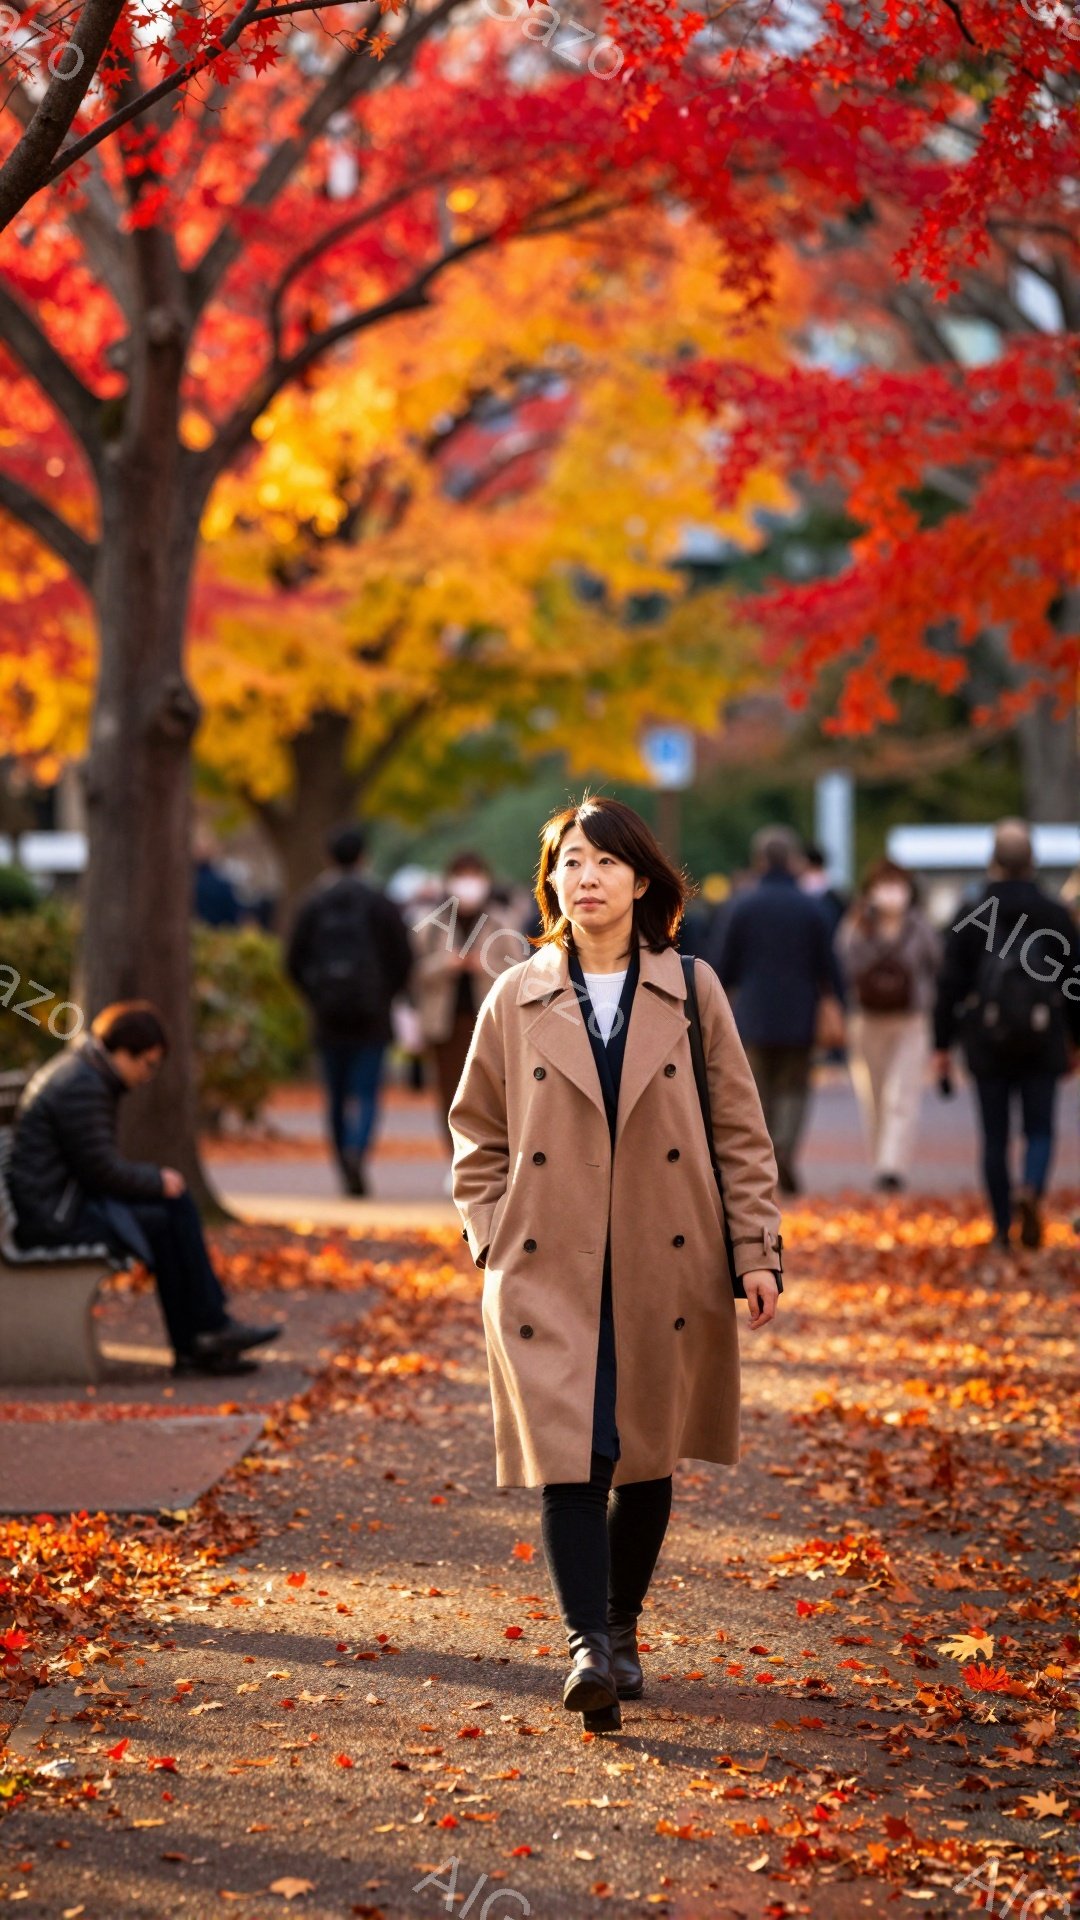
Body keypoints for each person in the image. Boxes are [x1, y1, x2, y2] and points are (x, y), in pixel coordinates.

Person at [448, 795, 783, 1732]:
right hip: (546, 1263)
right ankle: (587, 1646)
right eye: (567, 862)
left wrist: (755, 1250)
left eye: (602, 862)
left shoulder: (694, 988)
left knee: (644, 1455)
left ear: (642, 879)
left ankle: (622, 1627)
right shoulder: (516, 994)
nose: (583, 878)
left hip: (663, 1258)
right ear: (551, 882)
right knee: (571, 1457)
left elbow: (741, 1133)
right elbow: (475, 1133)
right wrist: (490, 1233)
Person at [7, 1003, 280, 1375]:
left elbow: (93, 1167)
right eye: (147, 1065)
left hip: (61, 1205)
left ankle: (203, 1337)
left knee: (171, 1209)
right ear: (122, 1052)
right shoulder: (82, 1085)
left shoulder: (86, 1072)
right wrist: (156, 1180)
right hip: (55, 1218)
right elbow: (99, 1170)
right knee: (170, 1209)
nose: (146, 1076)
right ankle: (206, 1332)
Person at [934, 819, 1080, 1250]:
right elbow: (1075, 980)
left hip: (987, 1039)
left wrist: (941, 1045)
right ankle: (1031, 1188)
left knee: (994, 1136)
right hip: (1043, 1036)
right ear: (1032, 860)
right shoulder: (1054, 913)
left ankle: (1001, 1228)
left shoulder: (974, 911)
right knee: (1039, 1128)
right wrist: (1076, 1039)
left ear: (993, 859)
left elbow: (949, 983)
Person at [716, 825, 846, 1195]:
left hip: (753, 1013)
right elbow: (830, 965)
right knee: (796, 1087)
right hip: (801, 1013)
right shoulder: (812, 907)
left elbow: (722, 965)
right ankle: (787, 1148)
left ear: (759, 860)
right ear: (792, 861)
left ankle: (767, 1156)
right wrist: (840, 1003)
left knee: (757, 1090)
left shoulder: (741, 905)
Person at [287, 824, 413, 1196]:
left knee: (336, 1095)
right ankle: (359, 1150)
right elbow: (402, 957)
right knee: (368, 1092)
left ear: (328, 857)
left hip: (328, 1017)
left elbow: (292, 959)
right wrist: (386, 993)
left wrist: (315, 994)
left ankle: (342, 1158)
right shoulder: (380, 902)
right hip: (372, 1015)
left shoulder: (313, 902)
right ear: (363, 857)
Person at [408, 853, 526, 1186]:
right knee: (449, 1094)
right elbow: (415, 973)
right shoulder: (432, 923)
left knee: (491, 1095)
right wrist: (447, 965)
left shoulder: (501, 921)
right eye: (462, 875)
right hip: (444, 1025)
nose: (469, 882)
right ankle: (456, 1162)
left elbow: (518, 971)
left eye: (474, 874)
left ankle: (488, 1162)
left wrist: (483, 965)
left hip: (488, 1022)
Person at [836, 858, 942, 1192]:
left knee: (902, 1094)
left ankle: (891, 1167)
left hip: (911, 1019)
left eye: (898, 886)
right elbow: (843, 959)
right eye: (885, 886)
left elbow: (937, 962)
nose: (892, 893)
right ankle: (880, 1158)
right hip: (867, 1019)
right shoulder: (857, 923)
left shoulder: (920, 924)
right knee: (874, 1094)